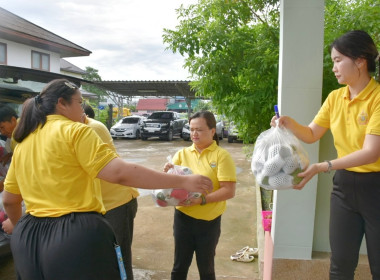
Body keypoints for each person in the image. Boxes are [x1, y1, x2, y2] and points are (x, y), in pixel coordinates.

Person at [2, 79, 213, 280]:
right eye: (79, 102)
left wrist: (25, 229)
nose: (83, 108)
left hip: (29, 238)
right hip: (72, 237)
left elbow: (10, 199)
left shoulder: (24, 141)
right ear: (61, 104)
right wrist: (182, 181)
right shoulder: (76, 131)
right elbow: (119, 173)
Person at [271, 30, 380, 279]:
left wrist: (323, 165)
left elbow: (371, 153)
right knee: (340, 265)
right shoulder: (335, 98)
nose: (334, 68)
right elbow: (310, 133)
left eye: (338, 60)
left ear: (361, 61)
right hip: (343, 189)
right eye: (333, 61)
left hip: (376, 189)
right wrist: (288, 123)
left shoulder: (377, 99)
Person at [164, 111, 236, 280]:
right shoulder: (182, 154)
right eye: (192, 129)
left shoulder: (221, 156)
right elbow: (173, 185)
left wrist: (202, 200)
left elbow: (229, 190)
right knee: (179, 267)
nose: (194, 133)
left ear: (212, 131)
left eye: (199, 130)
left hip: (208, 222)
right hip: (183, 217)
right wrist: (168, 173)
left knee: (206, 269)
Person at [83, 104, 139, 280]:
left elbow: (117, 171)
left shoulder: (91, 128)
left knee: (119, 258)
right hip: (97, 204)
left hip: (116, 203)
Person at [0, 105, 18, 192]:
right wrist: (10, 154)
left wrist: (5, 182)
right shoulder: (11, 138)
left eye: (2, 127)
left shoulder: (23, 135)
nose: (2, 132)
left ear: (13, 120)